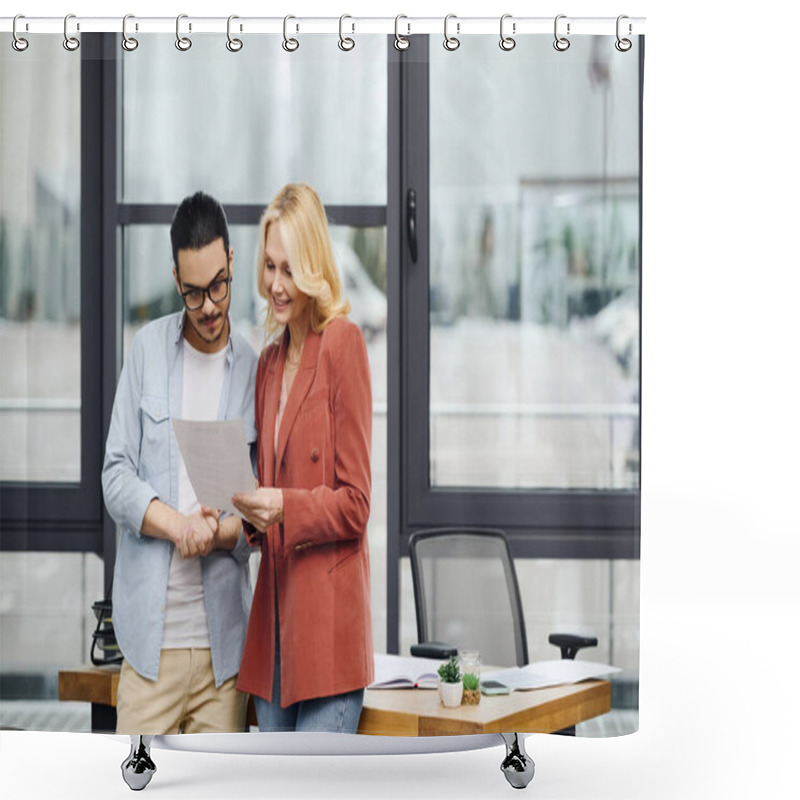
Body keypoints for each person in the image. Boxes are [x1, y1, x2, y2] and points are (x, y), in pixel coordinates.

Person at [102, 191, 258, 734]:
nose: (210, 306)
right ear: (175, 280)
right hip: (151, 653)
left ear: (232, 262)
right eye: (193, 293)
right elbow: (115, 476)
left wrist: (217, 534)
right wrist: (178, 526)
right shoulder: (146, 351)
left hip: (224, 661)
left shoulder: (254, 373)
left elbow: (258, 519)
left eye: (218, 285)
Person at [233, 182, 373, 733]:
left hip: (328, 640)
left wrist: (285, 506)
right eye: (269, 267)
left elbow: (356, 504)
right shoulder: (268, 364)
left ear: (313, 267)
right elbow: (267, 493)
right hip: (273, 636)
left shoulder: (343, 345)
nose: (276, 285)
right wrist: (243, 511)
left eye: (289, 269)